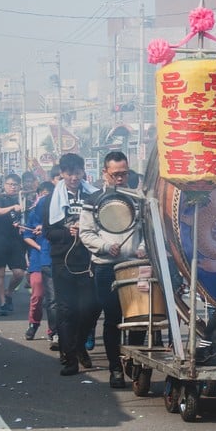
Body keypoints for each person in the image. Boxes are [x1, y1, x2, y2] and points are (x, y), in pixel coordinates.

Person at [79, 151, 143, 389]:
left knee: (138, 317)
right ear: (105, 173)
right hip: (106, 267)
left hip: (134, 265)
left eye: (124, 173)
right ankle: (115, 368)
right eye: (115, 174)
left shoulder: (138, 199)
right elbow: (86, 233)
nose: (120, 178)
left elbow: (146, 231)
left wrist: (143, 248)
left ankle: (134, 362)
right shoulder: (93, 200)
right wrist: (105, 246)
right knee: (113, 317)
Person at [41, 153, 98, 376]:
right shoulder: (51, 200)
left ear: (83, 172)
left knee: (91, 308)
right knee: (66, 309)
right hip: (62, 260)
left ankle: (80, 344)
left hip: (89, 258)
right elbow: (48, 232)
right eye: (69, 173)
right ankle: (69, 358)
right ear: (62, 174)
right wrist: (68, 231)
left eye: (77, 172)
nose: (74, 177)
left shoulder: (94, 196)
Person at [23, 181, 55, 341]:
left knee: (54, 299)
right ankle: (33, 323)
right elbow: (27, 236)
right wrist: (38, 247)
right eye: (42, 195)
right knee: (37, 294)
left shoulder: (59, 214)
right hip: (38, 260)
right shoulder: (33, 213)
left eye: (48, 195)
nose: (44, 199)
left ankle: (53, 331)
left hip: (55, 259)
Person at [0, 173, 27, 316]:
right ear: (5, 185)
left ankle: (9, 293)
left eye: (15, 185)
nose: (12, 187)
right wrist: (13, 207)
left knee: (19, 273)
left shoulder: (23, 199)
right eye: (10, 184)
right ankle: (3, 303)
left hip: (16, 240)